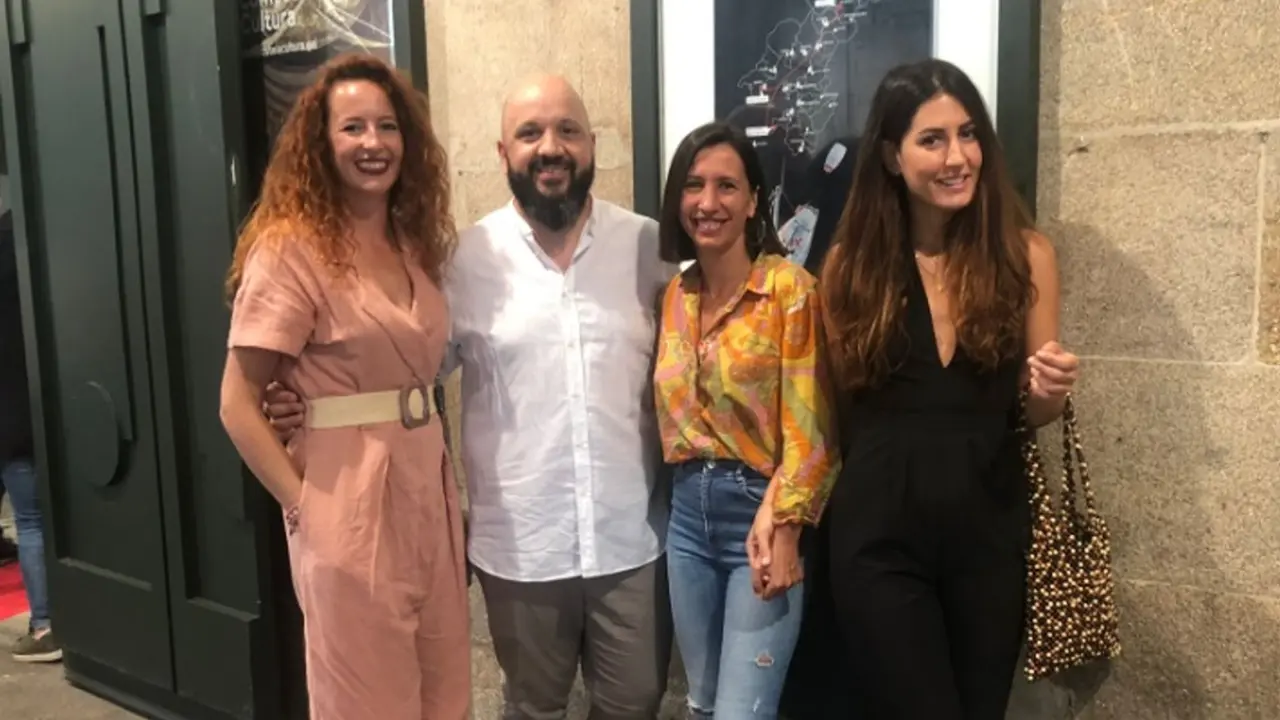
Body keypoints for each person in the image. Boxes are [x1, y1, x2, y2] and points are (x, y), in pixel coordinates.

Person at [266, 74, 677, 719]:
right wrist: (302, 398)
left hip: (632, 539)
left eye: (568, 130)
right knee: (532, 708)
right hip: (520, 545)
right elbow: (403, 372)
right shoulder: (461, 261)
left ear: (593, 145)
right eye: (530, 133)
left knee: (635, 704)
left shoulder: (649, 248)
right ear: (502, 152)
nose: (551, 147)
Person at [819, 58, 1081, 719]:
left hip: (989, 535)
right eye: (932, 140)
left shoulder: (1026, 256)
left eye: (968, 134)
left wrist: (1050, 388)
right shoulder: (850, 267)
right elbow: (839, 410)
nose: (957, 157)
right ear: (891, 156)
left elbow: (1035, 412)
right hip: (878, 540)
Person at [219, 53, 468, 719]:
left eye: (387, 126)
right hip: (346, 497)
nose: (373, 143)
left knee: (446, 694)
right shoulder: (291, 248)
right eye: (352, 127)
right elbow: (238, 403)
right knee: (366, 702)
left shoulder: (413, 243)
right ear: (320, 142)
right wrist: (305, 509)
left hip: (427, 489)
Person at [653, 121, 840, 719]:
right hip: (686, 518)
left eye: (726, 186)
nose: (708, 202)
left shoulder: (789, 290)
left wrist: (785, 528)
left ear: (754, 200)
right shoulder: (675, 295)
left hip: (758, 513)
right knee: (703, 705)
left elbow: (814, 430)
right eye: (694, 185)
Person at [0, 208, 59, 663]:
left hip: (7, 418)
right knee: (36, 519)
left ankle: (44, 625)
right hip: (30, 412)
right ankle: (46, 622)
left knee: (31, 521)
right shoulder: (31, 247)